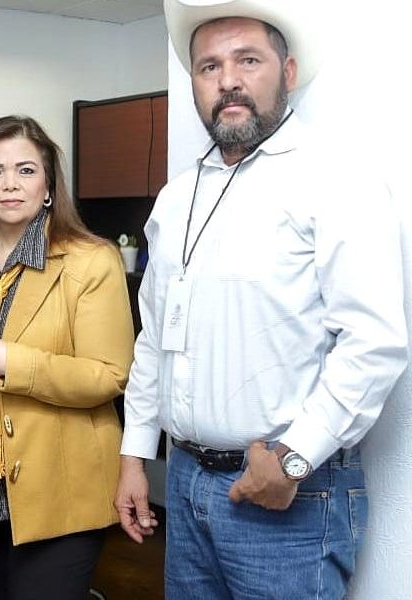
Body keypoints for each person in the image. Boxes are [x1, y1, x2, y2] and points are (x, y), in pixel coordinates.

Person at [115, 1, 408, 598]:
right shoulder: (176, 198)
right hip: (186, 483)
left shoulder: (336, 180)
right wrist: (135, 456)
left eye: (248, 60)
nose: (228, 80)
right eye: (209, 66)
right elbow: (155, 336)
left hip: (289, 496)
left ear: (288, 72)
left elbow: (374, 342)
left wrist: (293, 458)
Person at [0, 115, 135, 599]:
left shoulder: (90, 259)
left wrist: (13, 364)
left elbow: (109, 375)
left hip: (57, 495)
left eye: (25, 170)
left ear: (48, 186)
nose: (10, 184)